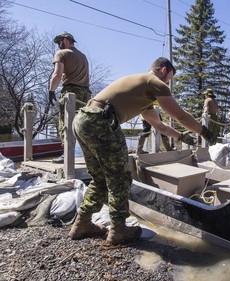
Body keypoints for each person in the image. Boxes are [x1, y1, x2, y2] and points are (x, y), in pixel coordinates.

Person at [70, 57, 217, 245]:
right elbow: (179, 115)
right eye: (169, 77)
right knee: (120, 177)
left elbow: (159, 125)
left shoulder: (142, 90)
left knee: (100, 177)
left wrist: (180, 137)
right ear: (163, 70)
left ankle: (82, 223)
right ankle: (119, 230)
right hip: (101, 121)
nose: (168, 83)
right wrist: (204, 131)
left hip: (83, 119)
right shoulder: (155, 82)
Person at [49, 32, 92, 163]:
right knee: (83, 124)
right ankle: (89, 155)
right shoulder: (83, 56)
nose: (58, 44)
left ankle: (66, 155)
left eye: (60, 41)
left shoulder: (61, 53)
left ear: (67, 40)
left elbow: (57, 74)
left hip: (70, 91)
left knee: (66, 123)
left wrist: (51, 90)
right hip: (86, 93)